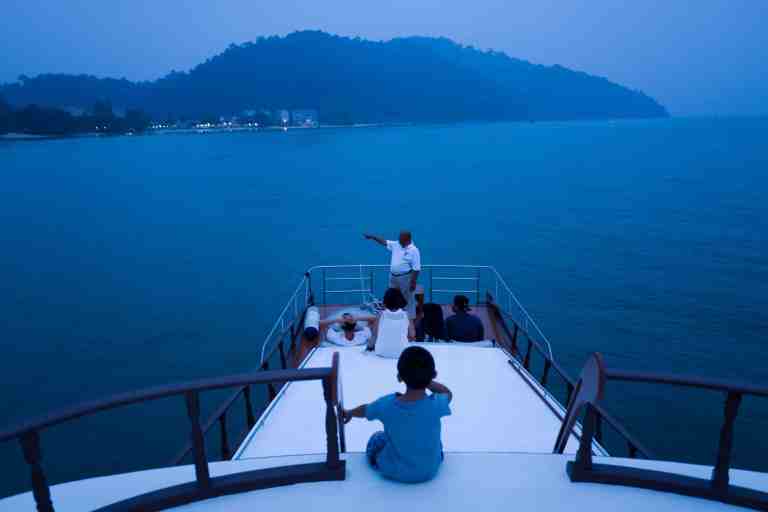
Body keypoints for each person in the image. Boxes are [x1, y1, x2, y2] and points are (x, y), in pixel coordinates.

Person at [342, 346, 452, 483]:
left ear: (400, 377)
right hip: (431, 469)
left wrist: (350, 413)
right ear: (433, 375)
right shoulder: (437, 404)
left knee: (376, 438)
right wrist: (426, 380)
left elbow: (365, 410)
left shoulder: (386, 405)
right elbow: (448, 393)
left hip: (397, 471)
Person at [363, 231, 421, 326]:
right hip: (393, 277)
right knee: (390, 297)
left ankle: (410, 324)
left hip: (405, 278)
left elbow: (416, 268)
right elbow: (384, 242)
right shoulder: (397, 244)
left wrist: (413, 282)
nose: (399, 241)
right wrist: (373, 237)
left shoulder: (414, 250)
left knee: (408, 300)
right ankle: (390, 319)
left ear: (408, 240)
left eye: (402, 240)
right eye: (399, 239)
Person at [367, 288, 409, 357]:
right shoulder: (406, 314)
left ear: (385, 300)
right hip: (402, 352)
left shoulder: (381, 315)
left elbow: (374, 335)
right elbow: (412, 334)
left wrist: (368, 348)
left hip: (381, 352)